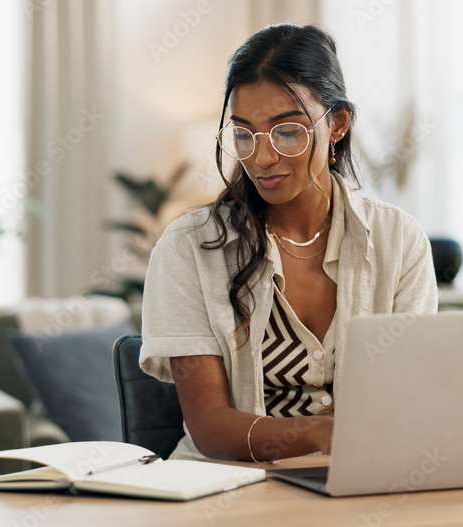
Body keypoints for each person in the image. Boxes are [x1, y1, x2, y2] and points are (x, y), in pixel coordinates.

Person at [140, 23, 437, 462]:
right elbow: (209, 426)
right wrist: (319, 434)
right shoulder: (187, 250)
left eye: (287, 131)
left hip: (361, 481)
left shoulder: (399, 240)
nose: (262, 157)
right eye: (244, 134)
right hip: (226, 489)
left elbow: (412, 396)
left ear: (337, 124)